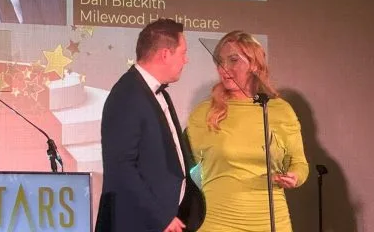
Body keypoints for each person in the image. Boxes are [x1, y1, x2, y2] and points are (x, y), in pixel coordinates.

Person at [186, 30, 309, 231]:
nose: (224, 68)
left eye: (233, 60)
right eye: (220, 62)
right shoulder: (205, 113)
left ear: (254, 64)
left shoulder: (279, 110)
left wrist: (294, 176)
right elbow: (181, 167)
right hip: (219, 222)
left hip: (271, 222)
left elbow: (299, 163)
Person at [96, 18, 205, 232]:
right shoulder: (127, 94)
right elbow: (121, 167)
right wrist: (161, 217)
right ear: (165, 54)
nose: (186, 60)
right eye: (183, 53)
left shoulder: (156, 92)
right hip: (141, 223)